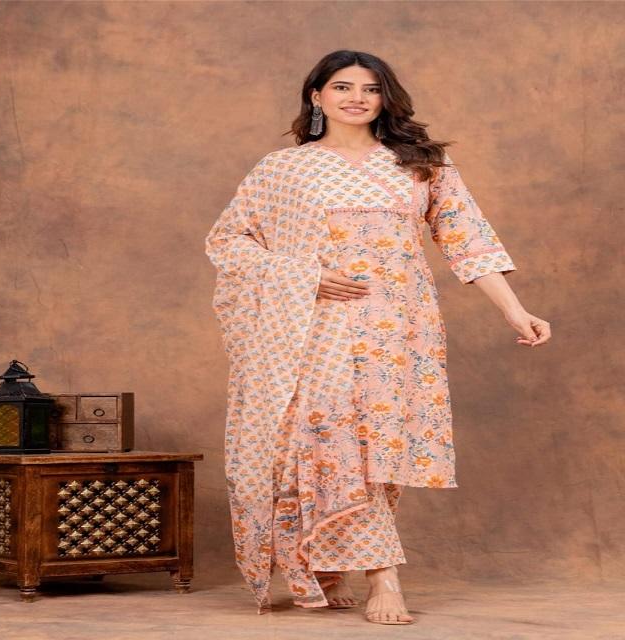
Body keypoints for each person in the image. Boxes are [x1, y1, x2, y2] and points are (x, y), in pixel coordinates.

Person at [205, 49, 551, 626]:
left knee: (377, 447)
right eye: (342, 87)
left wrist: (517, 312)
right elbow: (229, 241)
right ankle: (379, 574)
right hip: (312, 329)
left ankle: (344, 565)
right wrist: (304, 276)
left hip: (398, 329)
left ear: (385, 98)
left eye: (370, 89)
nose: (357, 98)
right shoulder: (282, 170)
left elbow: (469, 241)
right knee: (326, 439)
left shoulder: (421, 165)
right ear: (317, 96)